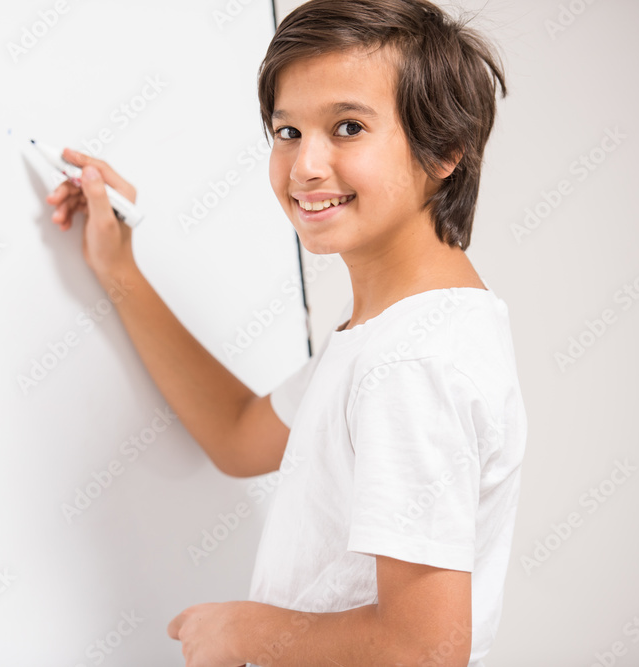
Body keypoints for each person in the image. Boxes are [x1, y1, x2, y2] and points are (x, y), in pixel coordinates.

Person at [44, 0, 526, 664]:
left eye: (349, 127)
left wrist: (246, 631)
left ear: (444, 148)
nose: (304, 166)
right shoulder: (390, 335)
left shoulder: (413, 361)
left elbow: (423, 649)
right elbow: (239, 435)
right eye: (288, 131)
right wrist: (119, 270)